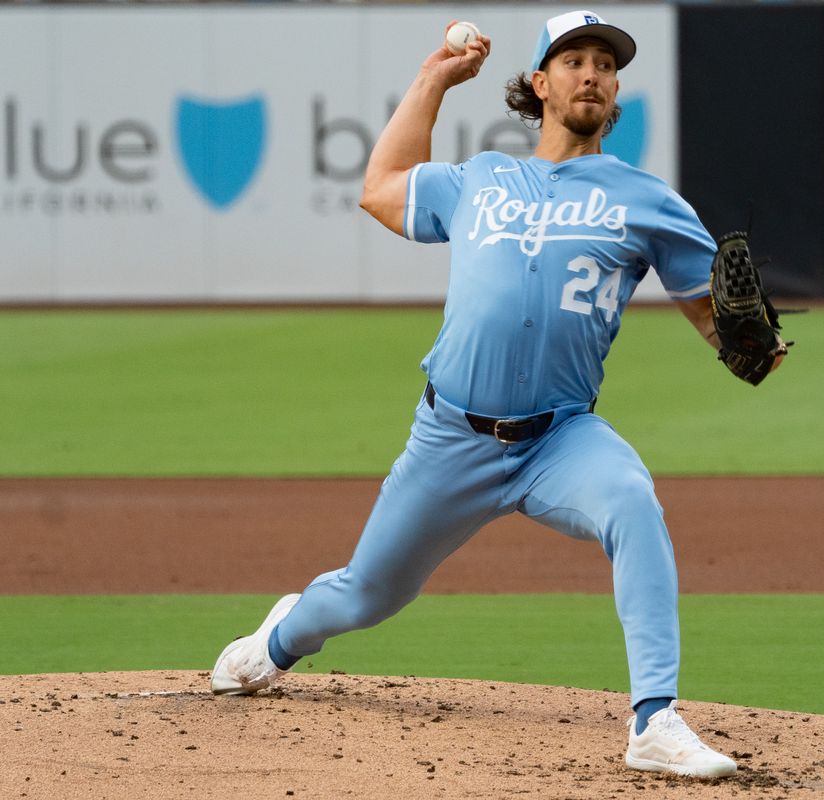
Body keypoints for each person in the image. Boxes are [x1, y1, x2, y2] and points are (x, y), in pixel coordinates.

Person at [211, 9, 784, 778]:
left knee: (632, 502)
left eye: (606, 65)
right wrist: (434, 79)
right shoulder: (480, 178)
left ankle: (656, 721)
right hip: (451, 439)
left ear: (617, 92)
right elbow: (381, 188)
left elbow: (729, 335)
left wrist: (756, 343)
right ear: (540, 84)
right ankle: (275, 644)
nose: (592, 73)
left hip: (560, 439)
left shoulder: (648, 200)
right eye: (574, 60)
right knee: (363, 597)